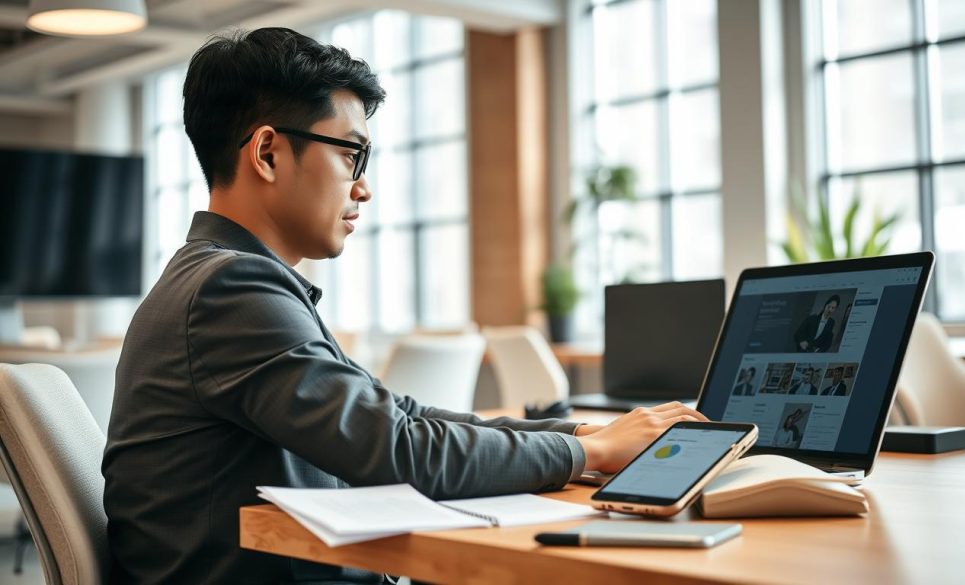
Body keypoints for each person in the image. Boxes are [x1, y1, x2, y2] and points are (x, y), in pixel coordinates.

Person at [101, 28, 709, 585]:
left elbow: (400, 419)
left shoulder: (225, 277)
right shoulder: (230, 292)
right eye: (351, 155)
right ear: (267, 153)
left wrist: (580, 433)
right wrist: (593, 452)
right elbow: (400, 450)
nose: (364, 186)